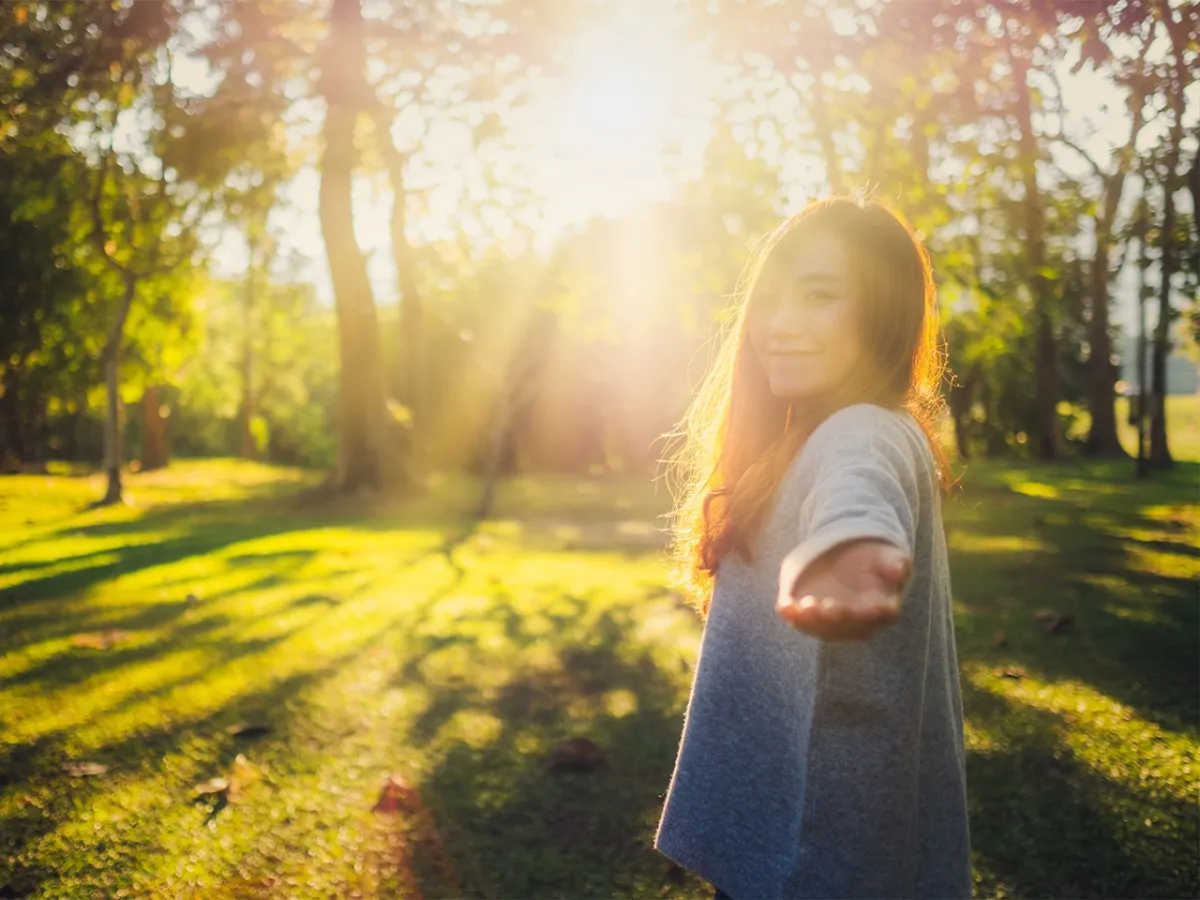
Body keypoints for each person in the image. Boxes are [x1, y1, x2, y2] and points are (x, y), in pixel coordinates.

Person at [654, 197, 971, 899]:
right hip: (793, 846)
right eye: (771, 299)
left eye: (820, 296)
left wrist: (851, 544)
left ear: (882, 315)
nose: (780, 325)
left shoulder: (863, 428)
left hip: (821, 856)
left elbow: (859, 489)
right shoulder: (807, 434)